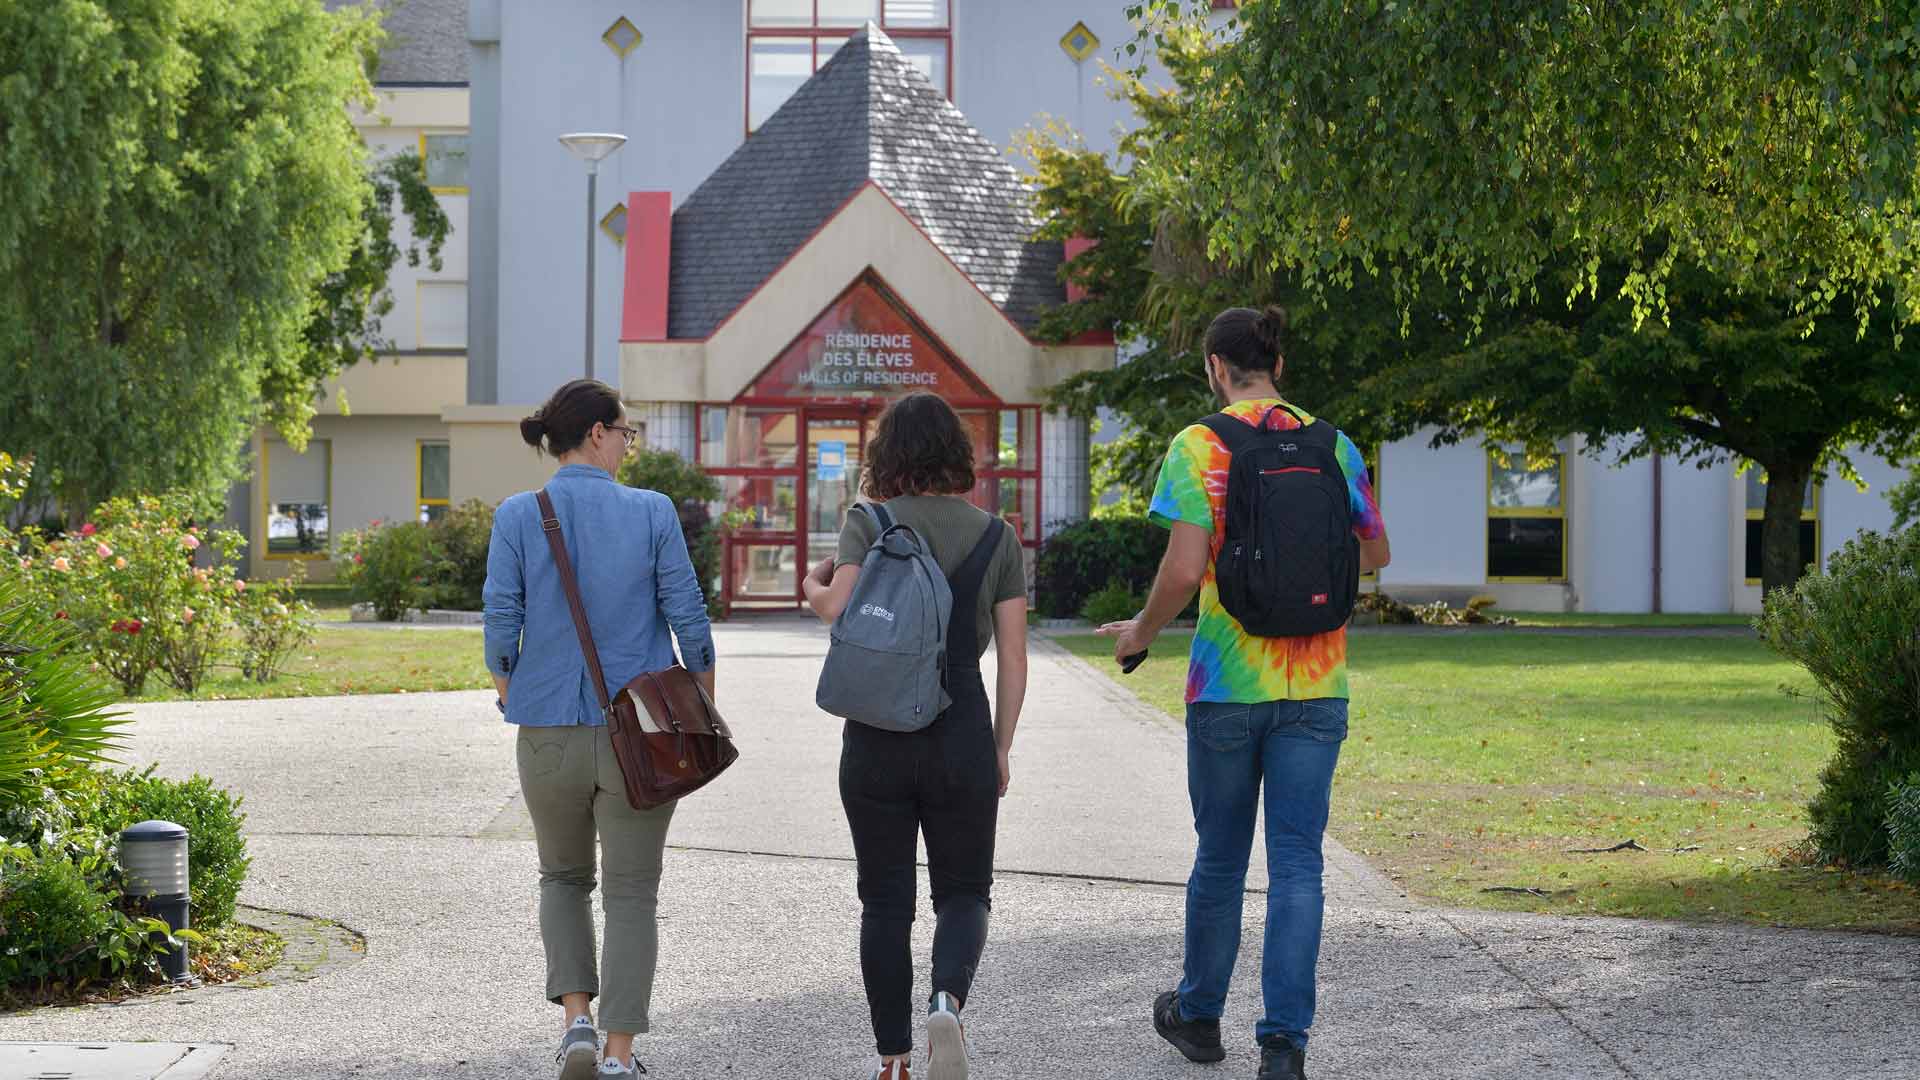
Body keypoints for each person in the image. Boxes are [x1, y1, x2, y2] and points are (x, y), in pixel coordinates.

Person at [1098, 306, 1389, 1080]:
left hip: (1227, 684)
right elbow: (1377, 548)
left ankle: (1198, 1016)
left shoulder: (1201, 446)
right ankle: (1284, 1046)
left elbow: (1186, 569)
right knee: (1298, 864)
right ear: (1278, 366)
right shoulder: (1335, 444)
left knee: (1221, 860)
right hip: (1317, 684)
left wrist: (1140, 632)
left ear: (1216, 369)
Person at [483, 379, 717, 1080]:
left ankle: (576, 1023)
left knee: (560, 878)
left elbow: (501, 630)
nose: (627, 445)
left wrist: (513, 697)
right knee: (632, 893)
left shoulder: (520, 515)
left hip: (547, 731)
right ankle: (618, 1056)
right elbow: (690, 621)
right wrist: (699, 706)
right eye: (625, 433)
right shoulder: (651, 513)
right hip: (641, 733)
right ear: (595, 433)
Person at [803, 391, 1030, 1080]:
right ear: (956, 454)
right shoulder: (998, 536)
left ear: (887, 456)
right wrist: (999, 747)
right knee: (964, 893)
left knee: (884, 899)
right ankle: (946, 1004)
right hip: (960, 725)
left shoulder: (867, 520)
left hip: (876, 735)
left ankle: (894, 1059)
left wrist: (812, 585)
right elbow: (1015, 659)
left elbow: (835, 608)